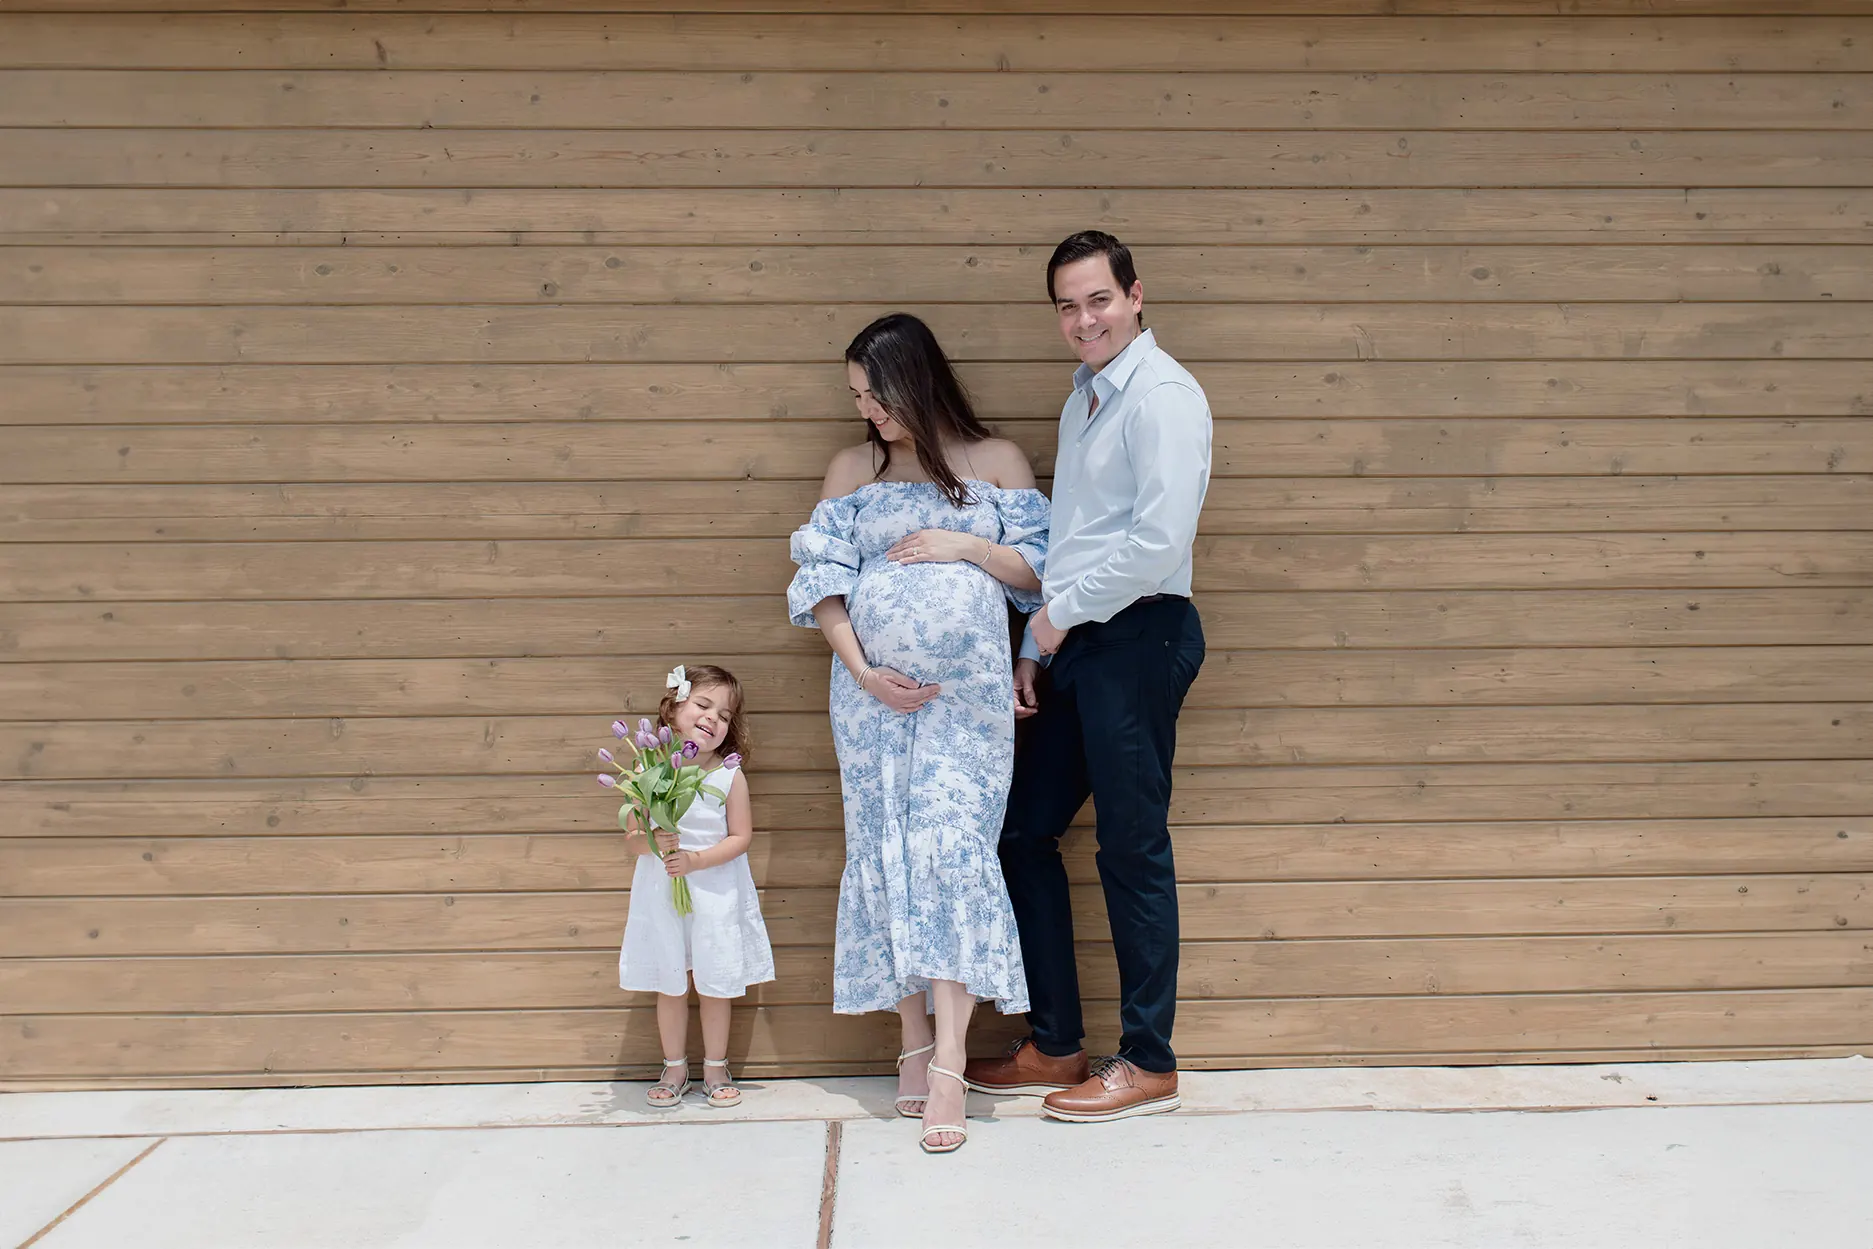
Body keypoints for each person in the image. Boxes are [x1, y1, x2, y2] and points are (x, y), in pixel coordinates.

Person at [963, 231, 1211, 1123]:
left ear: (1136, 295)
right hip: (1076, 644)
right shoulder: (1083, 402)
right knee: (1024, 831)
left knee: (1131, 847)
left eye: (1097, 300)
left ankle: (1148, 1059)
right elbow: (1071, 540)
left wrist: (1058, 622)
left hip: (1138, 636)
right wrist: (1036, 647)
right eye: (1067, 305)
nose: (1082, 319)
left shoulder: (1163, 399)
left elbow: (1157, 544)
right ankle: (1055, 1041)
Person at [787, 312, 1049, 1154]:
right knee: (887, 848)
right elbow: (821, 583)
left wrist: (964, 544)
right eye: (858, 399)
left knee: (949, 852)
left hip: (966, 705)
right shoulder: (851, 470)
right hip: (867, 700)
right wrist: (862, 669)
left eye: (878, 395)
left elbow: (1040, 572)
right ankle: (910, 1040)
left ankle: (949, 1064)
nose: (869, 413)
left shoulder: (996, 462)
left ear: (918, 381)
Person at [617, 662, 774, 1109]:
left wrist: (697, 860)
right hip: (664, 893)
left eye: (724, 716)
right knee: (671, 981)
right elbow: (630, 840)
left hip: (715, 892)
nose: (712, 718)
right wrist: (652, 839)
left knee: (714, 980)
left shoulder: (728, 775)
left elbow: (741, 837)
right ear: (672, 709)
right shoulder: (649, 771)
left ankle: (716, 1065)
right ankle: (674, 1065)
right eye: (703, 705)